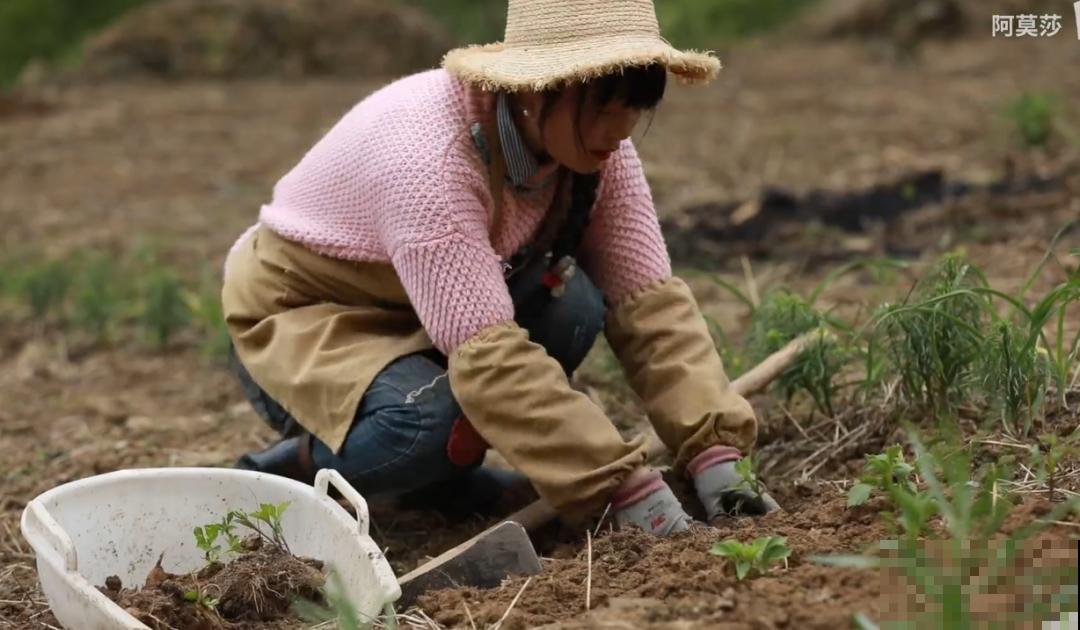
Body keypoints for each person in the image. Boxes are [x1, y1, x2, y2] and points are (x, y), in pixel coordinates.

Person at [222, 0, 778, 536]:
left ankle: (438, 483)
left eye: (636, 106)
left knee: (574, 305)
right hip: (312, 313)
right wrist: (614, 483)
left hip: (434, 305)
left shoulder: (594, 153)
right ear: (537, 88)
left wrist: (715, 446)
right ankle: (289, 473)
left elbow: (650, 307)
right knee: (429, 424)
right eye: (605, 104)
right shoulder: (431, 162)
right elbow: (489, 360)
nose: (622, 129)